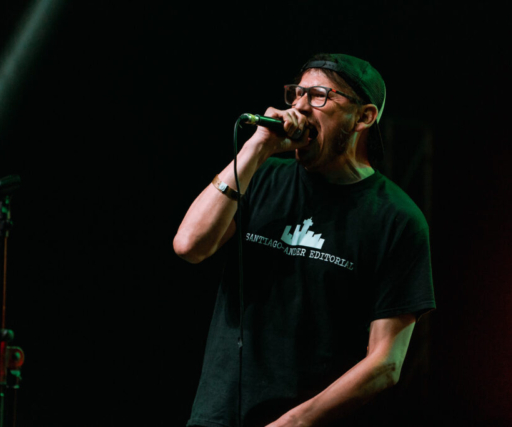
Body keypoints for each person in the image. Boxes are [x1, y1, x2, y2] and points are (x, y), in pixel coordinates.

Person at [173, 53, 436, 427]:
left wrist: (295, 422)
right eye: (296, 93)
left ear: (363, 117)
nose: (298, 106)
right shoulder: (261, 177)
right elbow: (190, 246)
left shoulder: (396, 219)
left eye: (318, 96)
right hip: (216, 417)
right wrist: (256, 147)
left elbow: (386, 362)